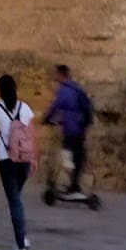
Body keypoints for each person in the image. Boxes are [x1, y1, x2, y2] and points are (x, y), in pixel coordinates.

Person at [0, 73, 36, 250]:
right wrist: (34, 158)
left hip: (6, 160)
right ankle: (22, 235)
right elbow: (32, 134)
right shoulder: (25, 108)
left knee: (14, 201)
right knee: (16, 199)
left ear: (0, 90)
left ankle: (21, 248)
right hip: (23, 159)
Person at [42, 64, 94, 196]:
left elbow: (56, 107)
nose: (55, 78)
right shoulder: (78, 89)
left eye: (57, 75)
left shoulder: (64, 91)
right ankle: (74, 184)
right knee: (78, 156)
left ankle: (68, 182)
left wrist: (46, 119)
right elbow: (84, 108)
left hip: (70, 129)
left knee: (67, 155)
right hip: (80, 129)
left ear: (61, 75)